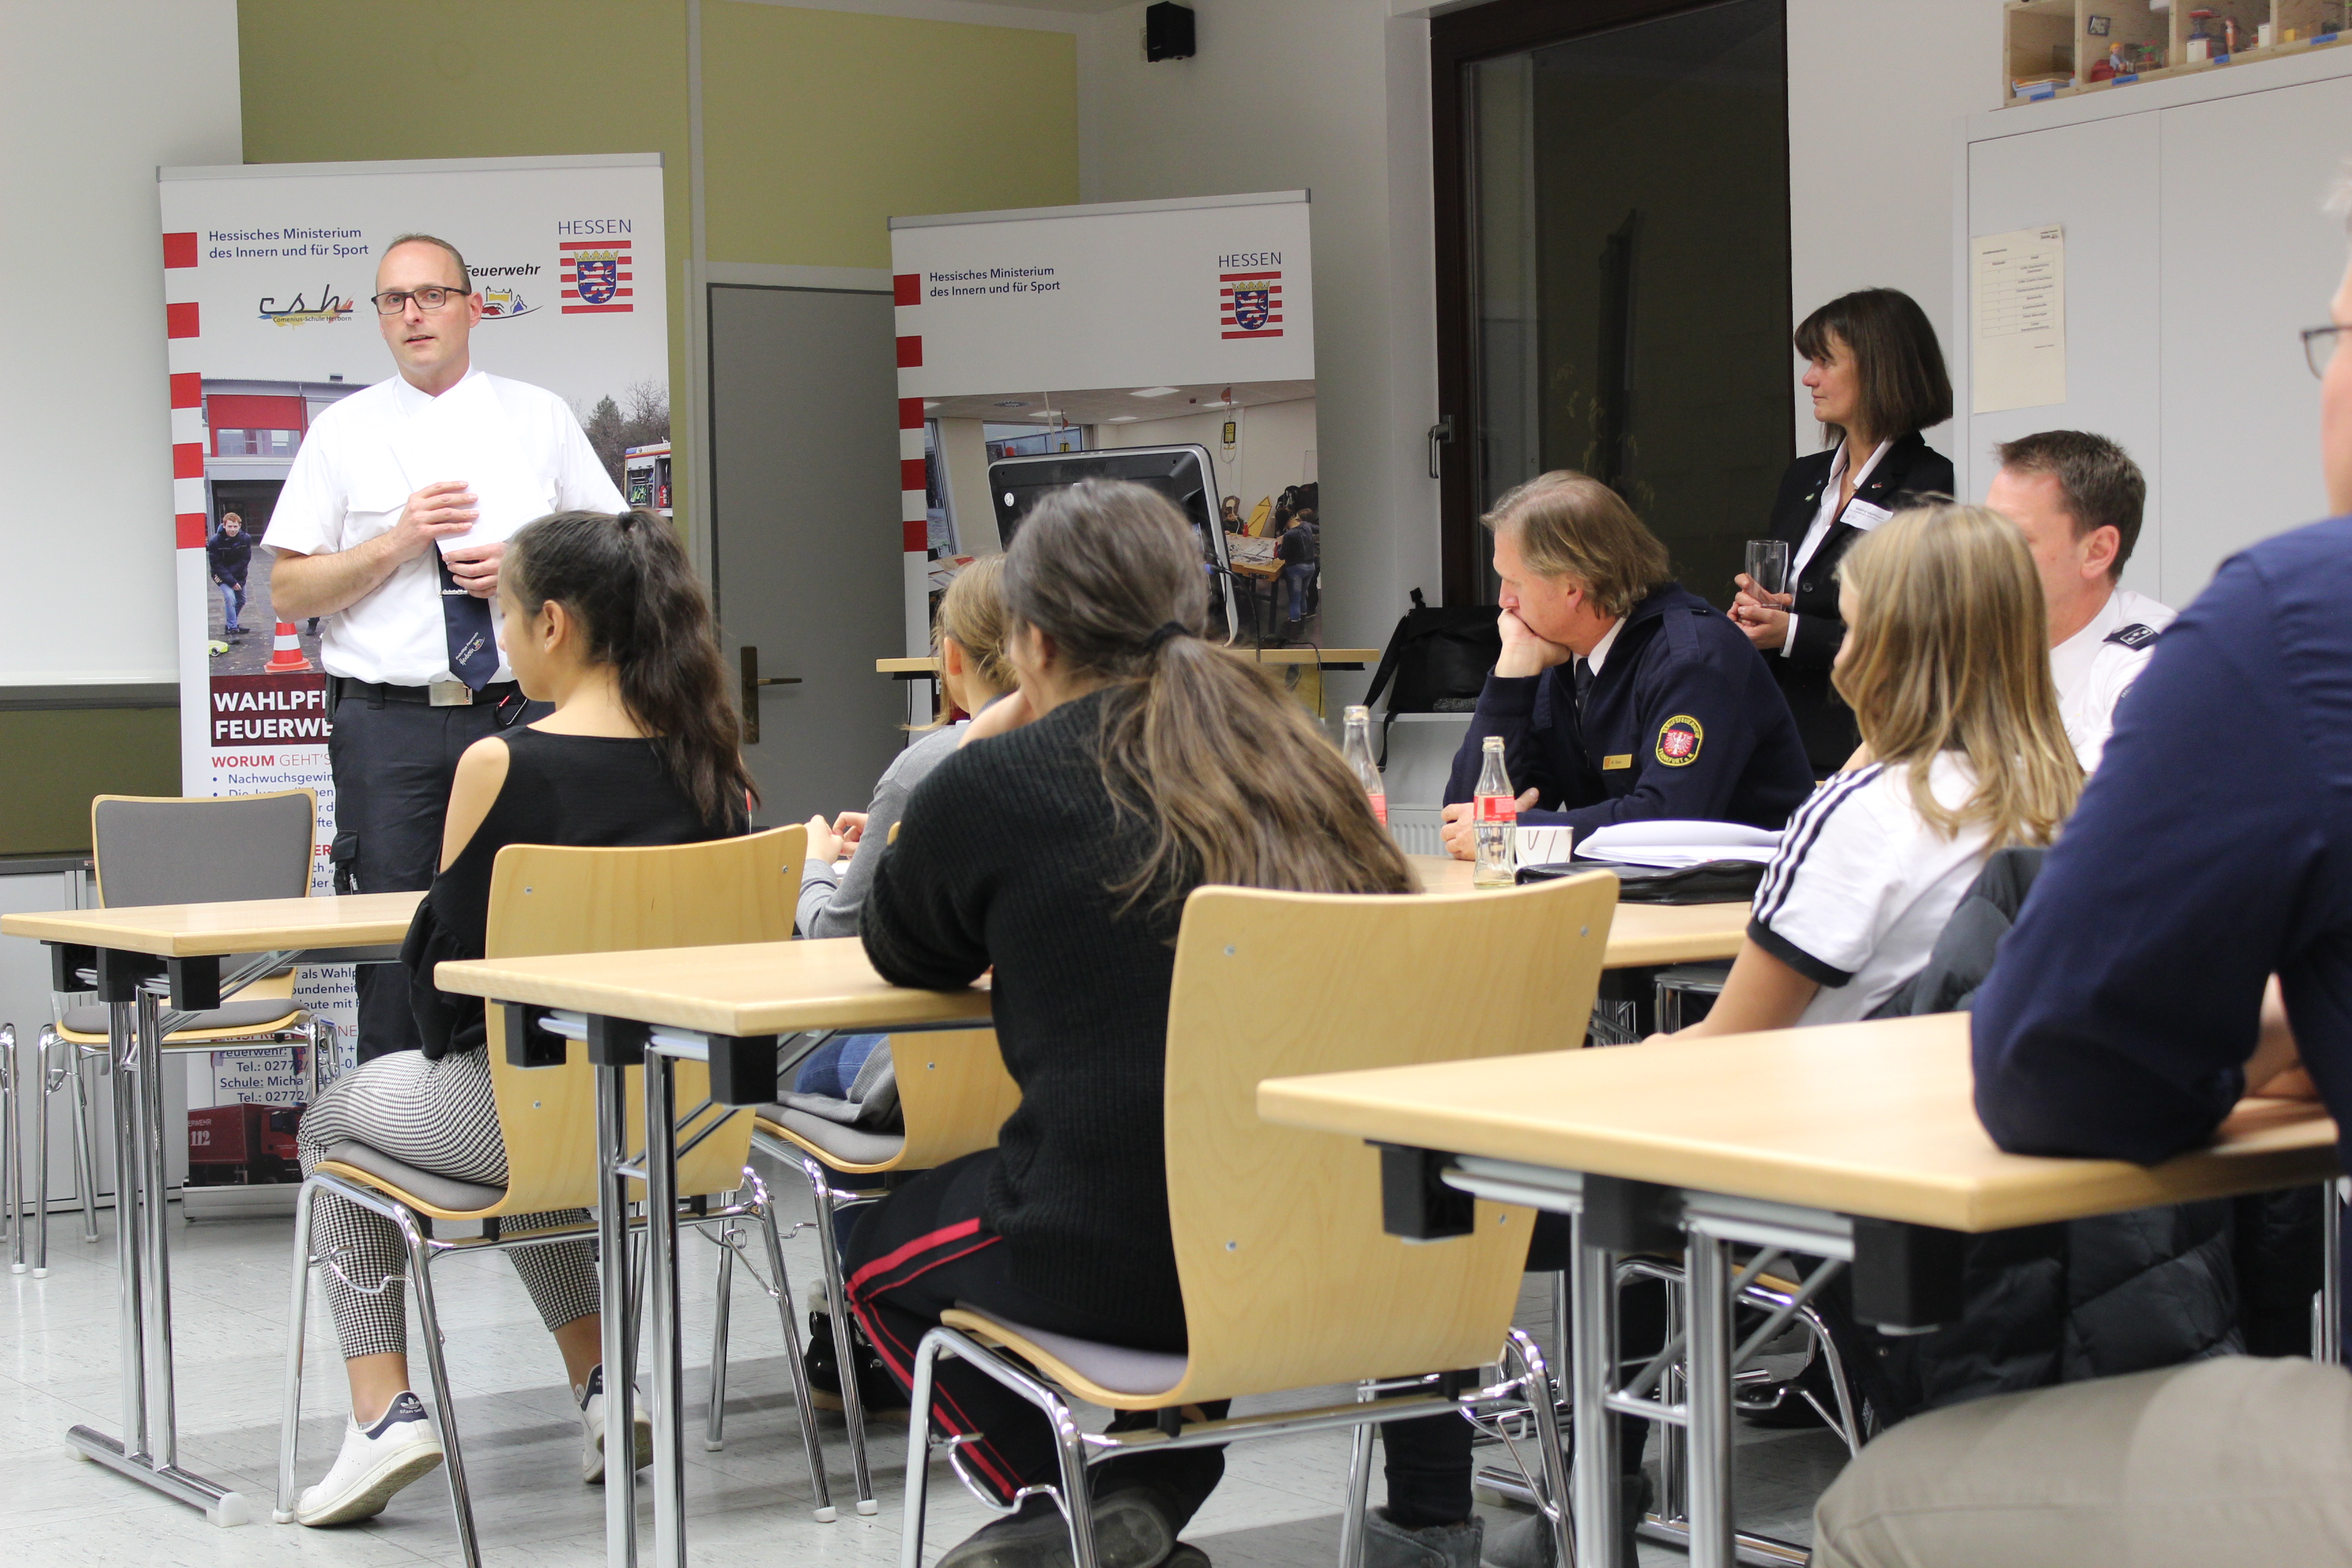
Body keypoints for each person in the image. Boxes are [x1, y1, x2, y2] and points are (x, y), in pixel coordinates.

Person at [1808, 186, 2352, 1568]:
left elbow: (2062, 1070)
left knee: (1884, 1502)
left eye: (2336, 338)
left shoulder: (2286, 626)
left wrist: (2262, 1035)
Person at [843, 480, 1440, 1568]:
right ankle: (1403, 1516)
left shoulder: (1000, 780)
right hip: (1358, 1236)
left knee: (868, 1255)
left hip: (1123, 1256)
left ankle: (1093, 1502)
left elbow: (903, 948)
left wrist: (992, 731)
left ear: (1028, 638)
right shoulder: (1297, 762)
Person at [285, 508, 752, 1527]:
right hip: (691, 1124)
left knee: (334, 1123)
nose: (495, 638)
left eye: (499, 614)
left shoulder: (499, 763)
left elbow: (444, 979)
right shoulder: (720, 772)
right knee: (540, 1143)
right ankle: (601, 1389)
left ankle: (381, 1417)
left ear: (552, 624)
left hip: (532, 1113)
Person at [263, 232, 625, 1064]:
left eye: (431, 295)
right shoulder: (343, 432)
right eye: (394, 300)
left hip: (527, 715)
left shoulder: (541, 417)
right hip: (389, 731)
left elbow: (621, 555)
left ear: (473, 306)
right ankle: (395, 1165)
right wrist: (394, 544)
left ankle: (537, 1162)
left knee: (539, 939)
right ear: (380, 319)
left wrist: (529, 569)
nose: (413, 314)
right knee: (397, 954)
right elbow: (287, 592)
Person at [1667, 504, 2079, 1036]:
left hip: (1836, 1102)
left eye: (1854, 631)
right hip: (1989, 1102)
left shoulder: (1864, 813)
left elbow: (1729, 1039)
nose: (1840, 659)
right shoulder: (2074, 800)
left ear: (1892, 655)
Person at [1437, 470, 1812, 858]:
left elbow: (1667, 822)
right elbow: (1465, 819)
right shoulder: (1558, 660)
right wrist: (1511, 673)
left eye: (1513, 582)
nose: (1503, 600)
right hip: (1639, 901)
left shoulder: (1695, 660)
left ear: (1572, 588)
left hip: (1746, 904)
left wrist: (1518, 833)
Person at [1732, 288, 1955, 775]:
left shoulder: (1928, 482)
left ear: (1881, 369)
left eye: (1825, 362)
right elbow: (1804, 591)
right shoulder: (1802, 478)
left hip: (1866, 742)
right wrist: (1759, 609)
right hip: (1781, 736)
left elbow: (1914, 634)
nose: (1809, 378)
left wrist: (1791, 632)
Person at [1983, 429, 2174, 770]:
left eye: (2014, 538)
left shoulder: (2158, 663)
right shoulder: (1973, 639)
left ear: (2097, 552)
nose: (1984, 554)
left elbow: (2091, 811)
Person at [206, 511, 253, 638]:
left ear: (240, 526)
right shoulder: (215, 541)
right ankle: (233, 629)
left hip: (239, 575)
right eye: (230, 527)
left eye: (235, 527)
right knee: (230, 597)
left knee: (241, 600)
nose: (232, 530)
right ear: (224, 526)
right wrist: (230, 581)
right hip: (220, 576)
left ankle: (230, 623)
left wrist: (234, 579)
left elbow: (245, 560)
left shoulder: (246, 539)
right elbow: (216, 565)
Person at [1274, 504, 1318, 635]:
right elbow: (1318, 529)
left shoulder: (1290, 535)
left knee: (1294, 600)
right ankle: (1302, 627)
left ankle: (1293, 632)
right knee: (1303, 598)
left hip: (1296, 570)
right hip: (1311, 567)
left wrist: (1279, 544)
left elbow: (1281, 556)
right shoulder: (1306, 525)